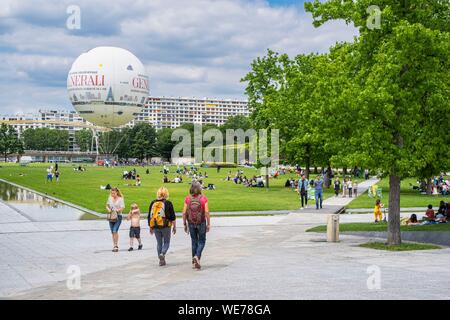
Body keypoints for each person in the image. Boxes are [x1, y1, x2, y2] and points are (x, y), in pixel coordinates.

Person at [182, 182, 210, 270]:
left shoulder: (187, 199)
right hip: (201, 222)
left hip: (191, 222)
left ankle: (194, 262)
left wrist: (184, 223)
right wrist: (208, 223)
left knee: (194, 241)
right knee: (202, 241)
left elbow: (184, 212)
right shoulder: (203, 199)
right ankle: (197, 257)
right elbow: (206, 212)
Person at [148, 187, 176, 266]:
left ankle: (161, 261)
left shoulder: (153, 202)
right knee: (166, 242)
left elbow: (149, 216)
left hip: (156, 225)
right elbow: (172, 217)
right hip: (166, 226)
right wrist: (174, 226)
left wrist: (150, 227)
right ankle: (162, 254)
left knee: (159, 243)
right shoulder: (168, 203)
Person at [106, 187, 125, 252]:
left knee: (115, 230)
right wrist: (108, 209)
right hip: (111, 216)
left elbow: (122, 207)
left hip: (118, 216)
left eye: (113, 193)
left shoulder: (120, 199)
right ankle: (114, 245)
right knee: (112, 232)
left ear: (116, 193)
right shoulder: (110, 198)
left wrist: (117, 210)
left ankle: (116, 246)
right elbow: (107, 205)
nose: (112, 194)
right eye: (111, 193)